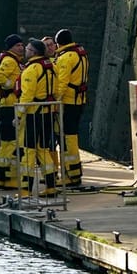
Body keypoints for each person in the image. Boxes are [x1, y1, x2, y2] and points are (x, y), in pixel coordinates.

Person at [16, 37, 58, 199]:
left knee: (29, 151)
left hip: (33, 114)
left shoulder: (31, 70)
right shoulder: (52, 67)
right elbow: (56, 88)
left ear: (33, 52)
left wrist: (19, 115)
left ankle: (25, 190)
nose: (25, 50)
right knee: (43, 150)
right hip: (48, 113)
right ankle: (51, 186)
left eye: (27, 49)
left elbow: (27, 95)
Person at [52, 29, 88, 187]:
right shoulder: (81, 54)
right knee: (71, 136)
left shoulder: (65, 58)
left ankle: (70, 175)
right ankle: (74, 173)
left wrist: (54, 102)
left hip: (68, 103)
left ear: (58, 43)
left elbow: (62, 83)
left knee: (67, 139)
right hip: (79, 100)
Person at [0, 34, 26, 190]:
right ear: (11, 47)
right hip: (9, 106)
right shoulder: (10, 61)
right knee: (11, 143)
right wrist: (11, 86)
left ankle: (4, 178)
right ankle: (8, 178)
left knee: (8, 143)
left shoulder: (16, 61)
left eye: (22, 45)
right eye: (18, 45)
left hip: (9, 106)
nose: (21, 47)